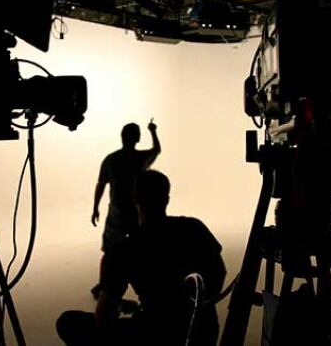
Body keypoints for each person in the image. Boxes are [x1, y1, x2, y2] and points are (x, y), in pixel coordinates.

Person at [59, 170, 226, 346]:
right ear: (166, 199)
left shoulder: (125, 248)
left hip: (152, 334)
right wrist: (194, 306)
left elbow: (104, 317)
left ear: (135, 199)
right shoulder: (193, 227)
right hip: (202, 333)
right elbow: (219, 271)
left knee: (67, 321)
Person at [90, 121, 160, 297]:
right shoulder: (140, 159)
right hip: (136, 213)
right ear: (137, 138)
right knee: (140, 251)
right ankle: (146, 287)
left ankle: (103, 284)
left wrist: (95, 207)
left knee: (109, 251)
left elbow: (101, 184)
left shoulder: (111, 159)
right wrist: (153, 132)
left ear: (122, 137)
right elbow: (156, 150)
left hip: (117, 213)